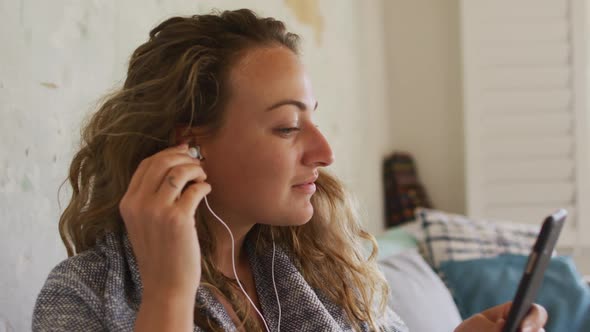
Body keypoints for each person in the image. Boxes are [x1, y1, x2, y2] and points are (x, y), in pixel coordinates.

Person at [32, 9, 547, 332]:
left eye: (313, 119)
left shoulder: (318, 263)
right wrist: (169, 292)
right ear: (190, 146)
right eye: (286, 127)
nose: (324, 151)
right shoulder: (83, 295)